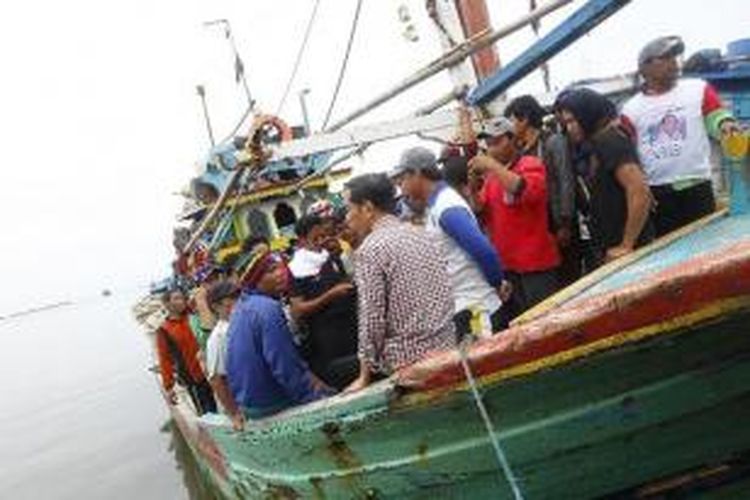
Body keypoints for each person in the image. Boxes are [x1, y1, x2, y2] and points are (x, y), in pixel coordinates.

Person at [343, 173, 456, 392]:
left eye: (349, 208)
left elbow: (372, 320)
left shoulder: (371, 250)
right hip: (447, 348)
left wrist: (364, 376)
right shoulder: (420, 233)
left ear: (367, 208)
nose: (346, 217)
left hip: (410, 365)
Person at [621, 35, 740, 236]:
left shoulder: (697, 89)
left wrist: (725, 124)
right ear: (645, 67)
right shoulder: (631, 109)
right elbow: (629, 155)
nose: (673, 62)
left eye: (675, 57)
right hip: (659, 195)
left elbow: (715, 116)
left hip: (698, 186)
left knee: (705, 245)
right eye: (665, 58)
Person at [391, 146, 508, 336]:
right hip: (469, 308)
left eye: (402, 178)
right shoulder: (436, 205)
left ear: (419, 173)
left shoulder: (446, 206)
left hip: (479, 309)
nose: (400, 185)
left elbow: (482, 249)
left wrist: (497, 282)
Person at [469, 116, 561, 319]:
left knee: (546, 319)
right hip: (508, 267)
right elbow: (481, 213)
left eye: (497, 141)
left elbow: (525, 189)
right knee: (522, 323)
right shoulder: (492, 179)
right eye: (489, 143)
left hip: (536, 265)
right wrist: (473, 190)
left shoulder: (530, 163)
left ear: (513, 140)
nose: (492, 148)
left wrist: (492, 166)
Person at [226, 249, 332, 418]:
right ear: (256, 279)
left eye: (281, 267)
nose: (281, 273)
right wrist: (313, 398)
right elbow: (284, 365)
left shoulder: (241, 306)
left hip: (249, 403)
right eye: (271, 271)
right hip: (270, 404)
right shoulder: (268, 308)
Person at [557, 88, 654, 265]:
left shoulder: (610, 140)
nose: (569, 128)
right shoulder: (597, 143)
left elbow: (638, 190)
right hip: (614, 249)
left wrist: (627, 244)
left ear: (587, 114)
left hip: (629, 253)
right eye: (566, 123)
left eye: (572, 121)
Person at [288, 214, 359, 390]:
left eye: (323, 236)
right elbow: (298, 309)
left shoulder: (331, 258)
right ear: (303, 240)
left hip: (349, 326)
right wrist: (330, 296)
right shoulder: (296, 270)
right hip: (326, 336)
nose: (321, 241)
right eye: (316, 238)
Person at [505, 95, 576, 254]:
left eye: (511, 121)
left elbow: (566, 181)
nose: (508, 127)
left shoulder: (553, 142)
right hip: (540, 224)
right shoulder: (521, 151)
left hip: (558, 220)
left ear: (524, 119)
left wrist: (565, 223)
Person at [156, 287, 217, 415]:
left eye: (182, 298)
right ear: (167, 304)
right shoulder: (164, 329)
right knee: (205, 409)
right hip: (192, 376)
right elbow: (164, 359)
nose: (181, 301)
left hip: (208, 369)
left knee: (216, 402)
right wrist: (169, 387)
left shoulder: (192, 317)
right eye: (176, 298)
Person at [205, 281, 244, 430]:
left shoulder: (242, 323)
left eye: (238, 296)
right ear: (216, 306)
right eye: (232, 298)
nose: (238, 301)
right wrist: (234, 413)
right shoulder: (218, 337)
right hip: (240, 402)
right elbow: (216, 379)